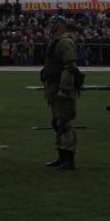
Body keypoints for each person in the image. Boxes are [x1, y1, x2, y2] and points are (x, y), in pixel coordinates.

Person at [39, 14, 78, 171]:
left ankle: (69, 160)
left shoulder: (65, 42)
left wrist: (63, 89)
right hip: (54, 88)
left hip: (63, 90)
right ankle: (61, 157)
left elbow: (70, 68)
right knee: (57, 123)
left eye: (53, 23)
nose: (50, 26)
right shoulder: (56, 42)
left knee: (64, 123)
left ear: (60, 25)